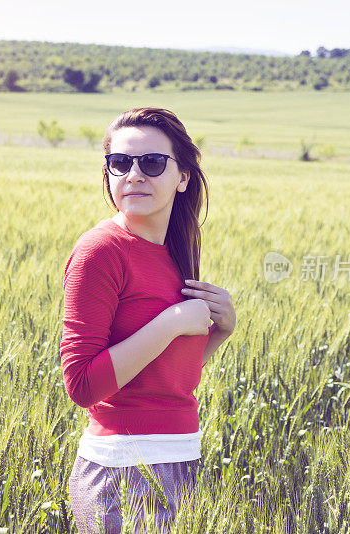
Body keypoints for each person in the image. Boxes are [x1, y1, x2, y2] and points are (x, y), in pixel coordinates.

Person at [60, 107, 236, 533]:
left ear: (183, 177)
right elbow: (82, 385)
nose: (133, 174)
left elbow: (162, 378)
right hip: (121, 471)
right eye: (119, 163)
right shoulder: (101, 251)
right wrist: (172, 321)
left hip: (179, 458)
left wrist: (221, 332)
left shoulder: (174, 255)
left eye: (152, 162)